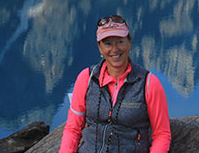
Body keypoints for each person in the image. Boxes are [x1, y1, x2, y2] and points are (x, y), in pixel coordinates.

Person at [59, 14, 171, 153]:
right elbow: (73, 129)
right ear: (100, 48)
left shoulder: (148, 83)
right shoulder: (86, 79)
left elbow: (162, 134)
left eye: (120, 41)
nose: (115, 49)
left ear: (129, 42)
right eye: (107, 44)